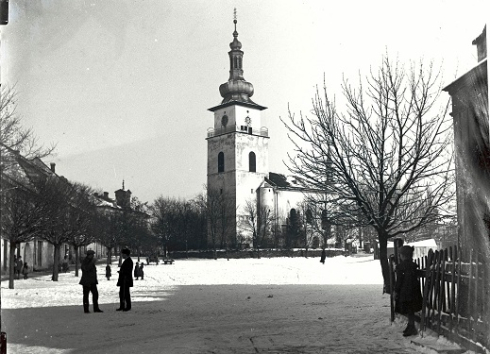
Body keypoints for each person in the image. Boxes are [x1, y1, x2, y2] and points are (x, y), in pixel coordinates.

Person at [394, 245, 423, 337]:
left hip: (405, 291)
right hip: (414, 290)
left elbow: (399, 281)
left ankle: (411, 327)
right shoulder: (412, 265)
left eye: (400, 255)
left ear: (403, 255)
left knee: (407, 309)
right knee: (410, 309)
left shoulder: (401, 267)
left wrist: (396, 291)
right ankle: (410, 326)